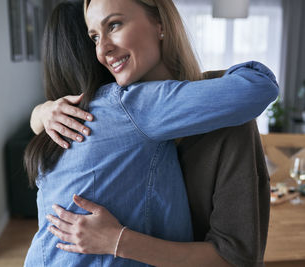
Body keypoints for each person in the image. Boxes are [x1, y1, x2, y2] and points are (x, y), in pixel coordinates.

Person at [26, 0, 278, 266]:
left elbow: (237, 258)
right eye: (94, 38)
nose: (102, 49)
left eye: (115, 24)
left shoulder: (228, 117)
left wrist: (118, 241)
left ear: (160, 23)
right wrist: (42, 112)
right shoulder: (99, 115)